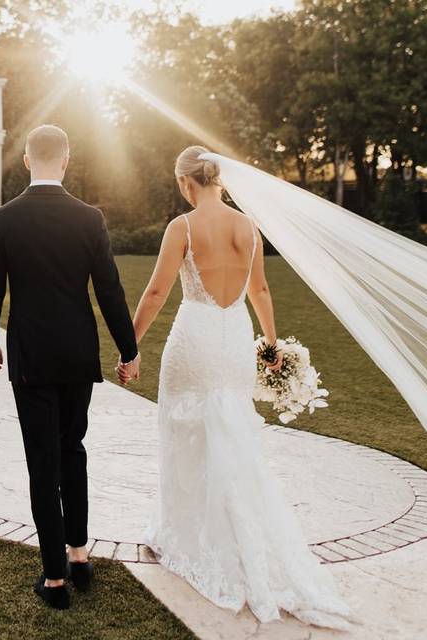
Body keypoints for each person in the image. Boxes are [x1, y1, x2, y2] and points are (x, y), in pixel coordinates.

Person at [122, 145, 354, 629]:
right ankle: (234, 536)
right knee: (232, 437)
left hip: (195, 340)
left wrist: (130, 345)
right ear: (218, 179)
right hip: (232, 341)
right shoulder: (247, 227)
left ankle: (184, 535)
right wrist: (270, 345)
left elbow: (158, 291)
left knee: (187, 435)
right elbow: (260, 290)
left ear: (186, 183)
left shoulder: (181, 227)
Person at [0, 124, 140, 610]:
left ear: (27, 161)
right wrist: (128, 350)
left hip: (31, 356)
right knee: (74, 449)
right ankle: (80, 554)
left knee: (42, 461)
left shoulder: (5, 218)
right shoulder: (90, 218)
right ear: (65, 161)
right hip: (76, 353)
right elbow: (109, 289)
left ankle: (53, 579)